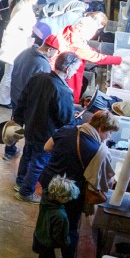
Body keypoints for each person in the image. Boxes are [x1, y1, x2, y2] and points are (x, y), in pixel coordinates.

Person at [32, 111, 119, 258]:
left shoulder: (67, 130)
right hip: (69, 194)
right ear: (100, 129)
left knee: (46, 216)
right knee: (69, 229)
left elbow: (47, 147)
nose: (109, 136)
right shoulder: (98, 151)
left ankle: (39, 248)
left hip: (49, 184)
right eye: (109, 132)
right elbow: (105, 182)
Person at [13, 51, 79, 202]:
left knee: (27, 155)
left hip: (30, 126)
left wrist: (18, 120)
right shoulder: (63, 91)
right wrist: (75, 121)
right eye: (75, 69)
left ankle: (20, 182)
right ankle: (25, 192)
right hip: (46, 134)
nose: (75, 72)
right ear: (68, 69)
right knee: (38, 163)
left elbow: (23, 99)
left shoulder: (38, 77)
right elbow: (65, 120)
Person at [0, 21, 55, 160]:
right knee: (29, 128)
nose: (55, 54)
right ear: (50, 49)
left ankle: (9, 150)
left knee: (15, 123)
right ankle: (24, 155)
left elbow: (15, 66)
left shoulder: (26, 51)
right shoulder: (43, 64)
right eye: (55, 51)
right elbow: (41, 88)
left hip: (16, 94)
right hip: (28, 101)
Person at [27, 175, 80, 258]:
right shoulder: (60, 216)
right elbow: (60, 238)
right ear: (61, 197)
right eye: (67, 197)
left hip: (40, 236)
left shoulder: (46, 199)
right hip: (51, 244)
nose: (69, 200)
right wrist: (67, 243)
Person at [0, 0, 41, 108]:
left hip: (19, 43)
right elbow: (13, 28)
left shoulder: (25, 6)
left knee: (11, 72)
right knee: (10, 73)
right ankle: (2, 99)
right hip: (15, 44)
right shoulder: (21, 8)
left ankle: (5, 98)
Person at [59, 11, 121, 105]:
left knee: (83, 82)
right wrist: (120, 60)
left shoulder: (69, 30)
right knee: (70, 96)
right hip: (69, 74)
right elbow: (98, 58)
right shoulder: (78, 44)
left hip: (63, 68)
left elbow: (86, 50)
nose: (92, 35)